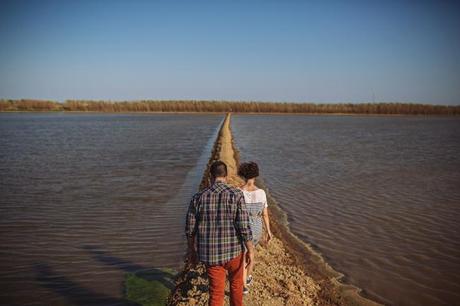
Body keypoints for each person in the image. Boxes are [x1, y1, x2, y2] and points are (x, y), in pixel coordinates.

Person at [185, 160, 254, 306]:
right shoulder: (236, 194)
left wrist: (191, 250)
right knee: (236, 286)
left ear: (210, 177)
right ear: (227, 177)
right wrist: (251, 250)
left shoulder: (198, 198)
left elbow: (190, 229)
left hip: (211, 255)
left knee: (216, 293)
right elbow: (244, 226)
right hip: (234, 252)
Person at [237, 161, 273, 295]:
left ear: (243, 175)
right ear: (255, 175)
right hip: (257, 228)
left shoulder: (239, 192)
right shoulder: (262, 193)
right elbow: (265, 214)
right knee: (251, 254)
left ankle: (244, 284)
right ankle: (246, 278)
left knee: (243, 255)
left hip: (244, 228)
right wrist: (269, 232)